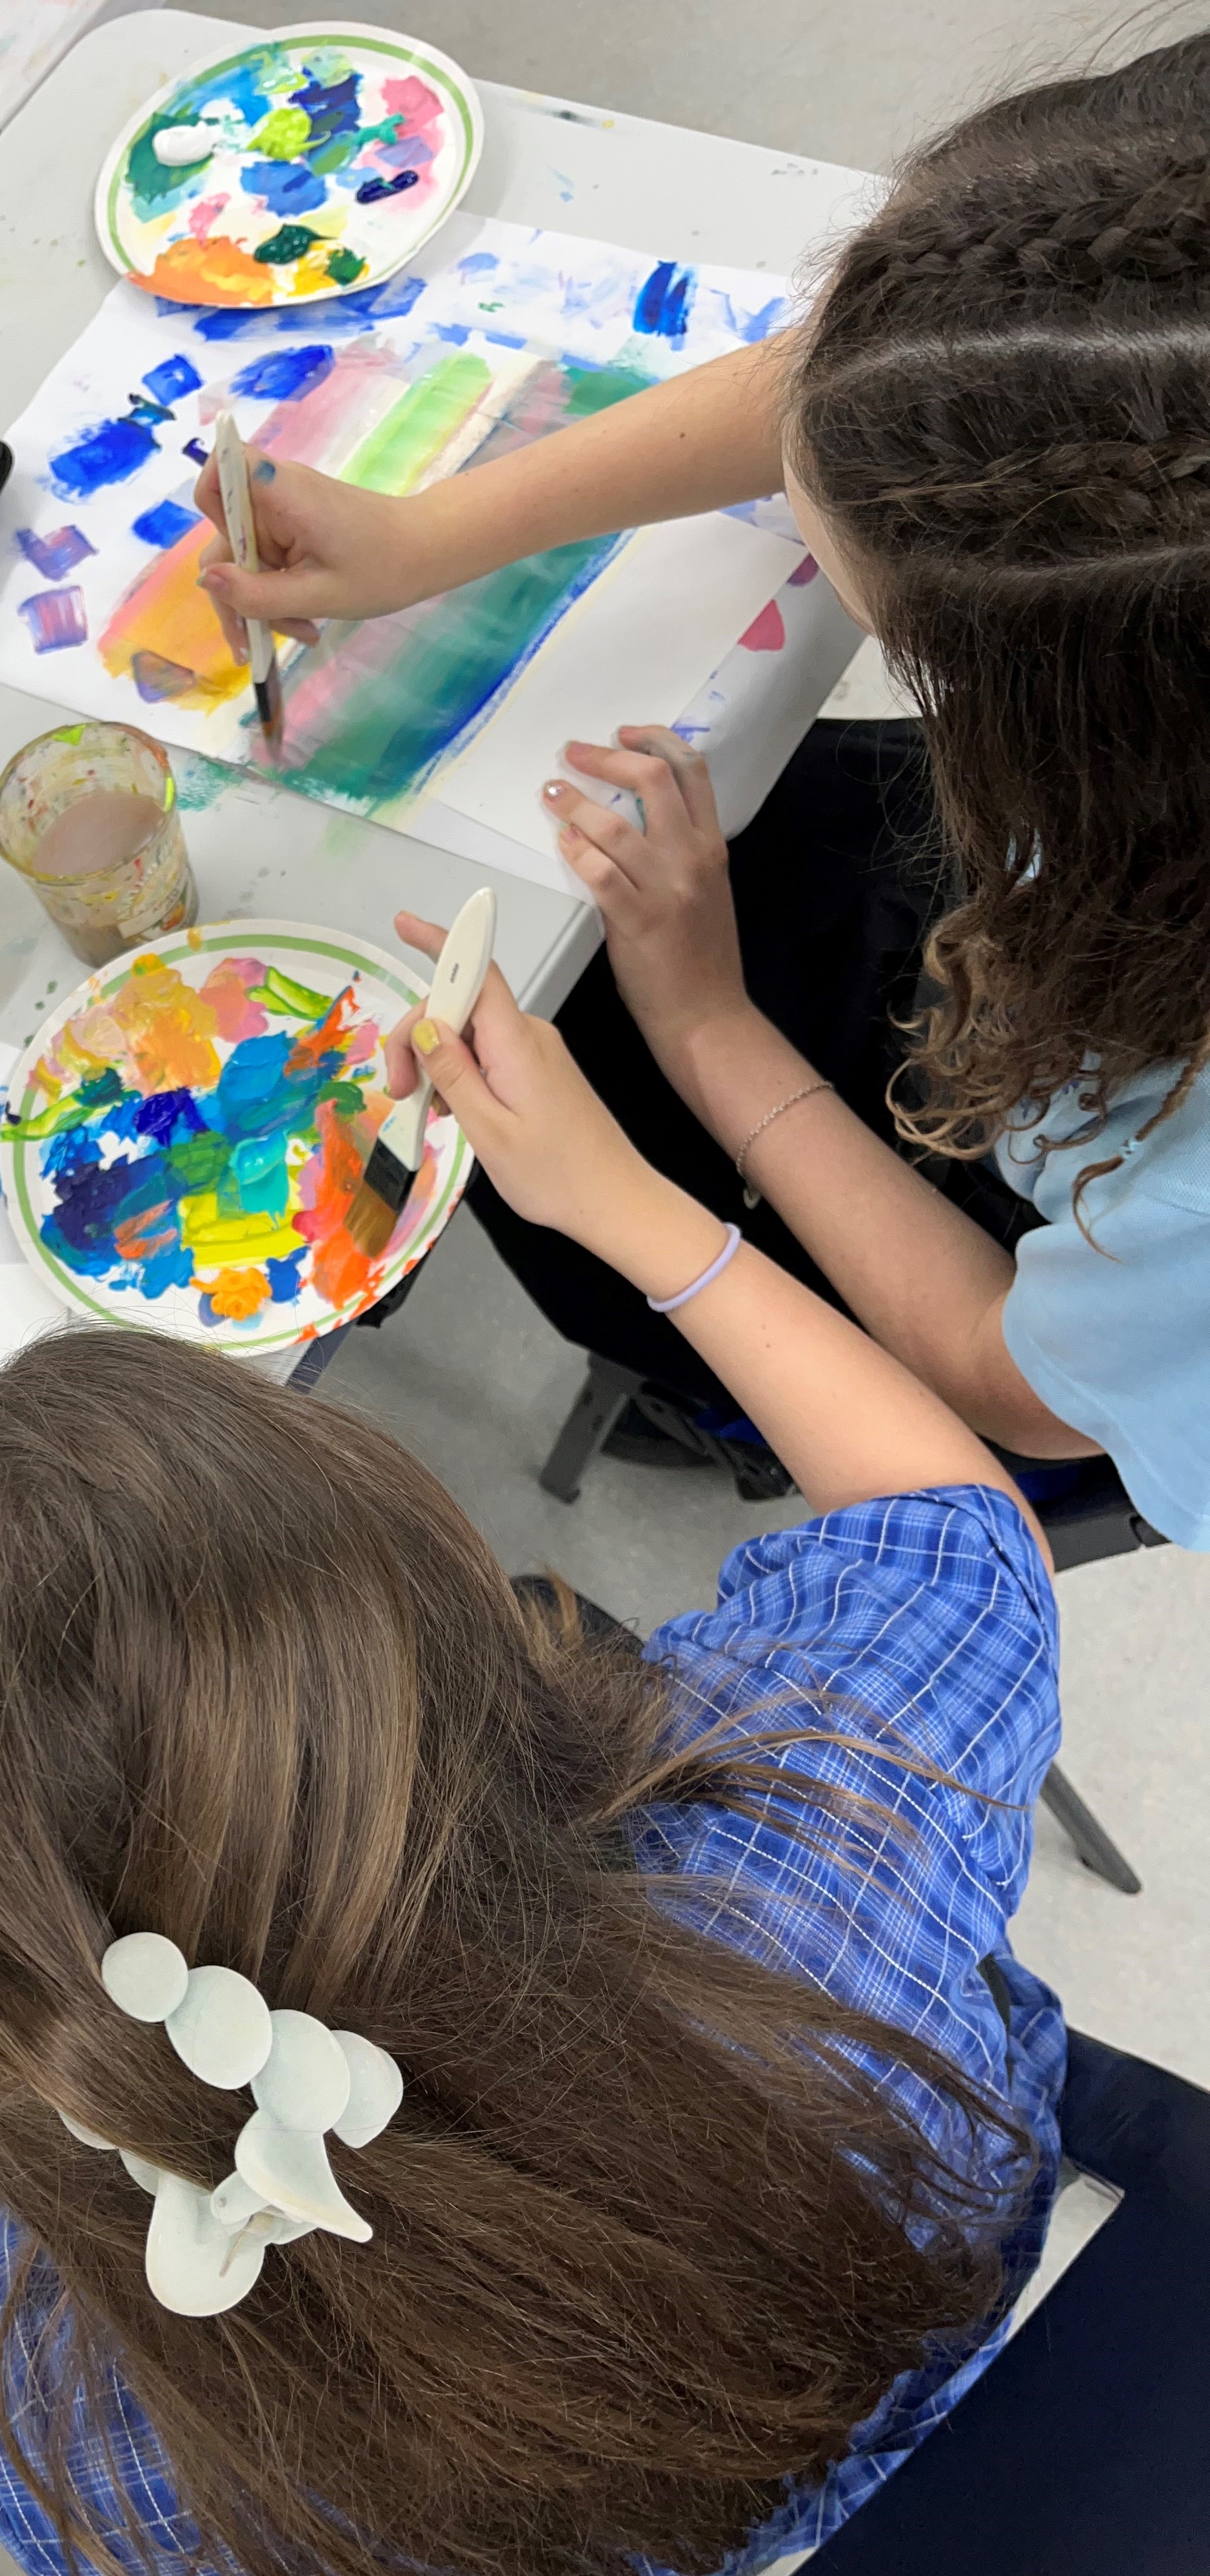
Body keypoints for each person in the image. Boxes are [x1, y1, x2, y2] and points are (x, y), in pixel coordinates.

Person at [0, 1032, 1066, 2576]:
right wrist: (628, 1205)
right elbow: (956, 1532)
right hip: (963, 2338)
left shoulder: (19, 2384)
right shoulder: (825, 1826)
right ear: (440, 1627)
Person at [195, 34, 1210, 1546]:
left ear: (1070, 721)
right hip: (1076, 971)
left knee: (564, 1121)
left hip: (1025, 1326)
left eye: (890, 635)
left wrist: (706, 1029)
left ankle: (698, 1411)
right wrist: (430, 538)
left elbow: (1020, 1387)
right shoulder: (1138, 533)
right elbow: (869, 406)